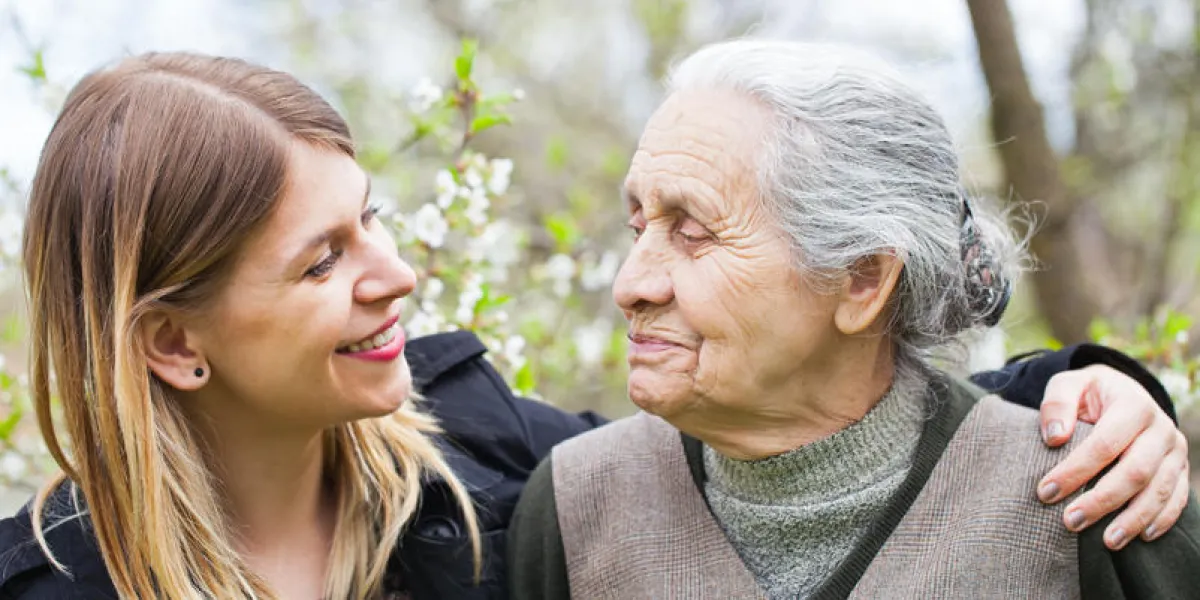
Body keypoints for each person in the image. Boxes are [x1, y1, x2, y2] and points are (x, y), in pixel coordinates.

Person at [0, 51, 1186, 600]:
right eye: (323, 262)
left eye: (372, 222)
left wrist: (1091, 392)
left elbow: (819, 426)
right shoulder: (48, 585)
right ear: (172, 343)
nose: (398, 275)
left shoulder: (482, 466)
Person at [506, 40, 1200, 599]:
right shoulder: (573, 507)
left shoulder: (1100, 494)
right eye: (638, 226)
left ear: (863, 279)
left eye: (693, 232)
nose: (631, 284)